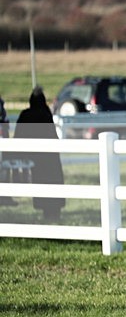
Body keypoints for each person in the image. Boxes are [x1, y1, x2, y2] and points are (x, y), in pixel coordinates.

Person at [12, 86, 65, 221]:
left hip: (36, 158)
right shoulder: (45, 113)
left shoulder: (26, 115)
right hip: (50, 158)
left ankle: (47, 214)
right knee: (53, 184)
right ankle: (53, 214)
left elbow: (18, 137)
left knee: (42, 183)